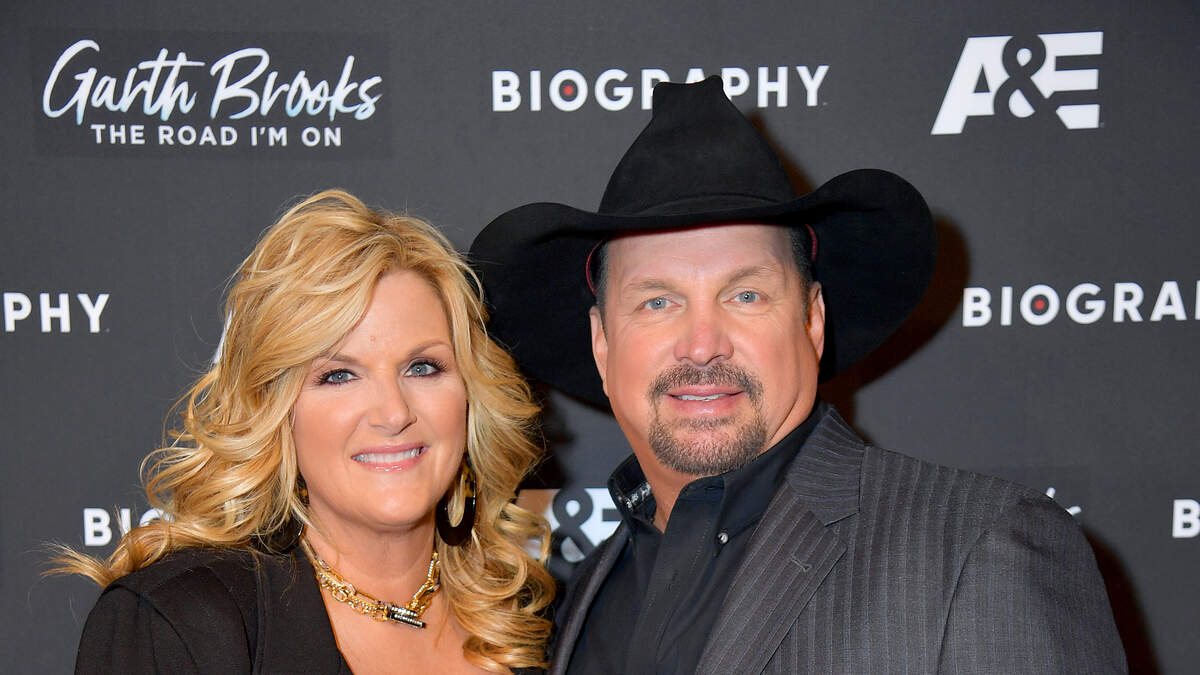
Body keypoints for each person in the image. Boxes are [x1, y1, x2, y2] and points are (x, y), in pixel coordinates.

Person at [469, 77, 1126, 674]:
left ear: (812, 321)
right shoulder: (576, 602)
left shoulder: (979, 547)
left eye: (746, 294)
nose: (703, 344)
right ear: (602, 343)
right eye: (658, 302)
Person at [56, 189, 555, 673]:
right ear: (275, 410)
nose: (393, 412)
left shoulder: (528, 623)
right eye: (338, 375)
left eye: (422, 367)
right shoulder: (183, 623)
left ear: (470, 395)